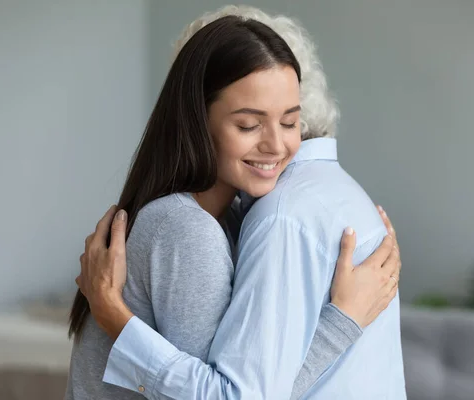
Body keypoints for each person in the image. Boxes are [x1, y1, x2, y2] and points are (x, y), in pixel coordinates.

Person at [66, 9, 402, 400]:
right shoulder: (187, 229)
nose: (276, 145)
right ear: (197, 119)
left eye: (290, 122)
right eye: (248, 125)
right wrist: (345, 320)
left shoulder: (225, 218)